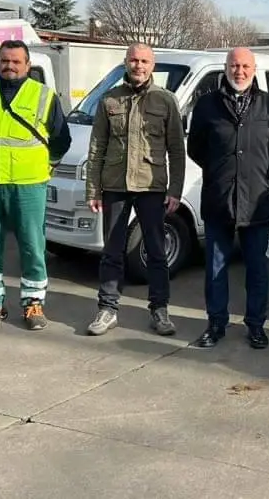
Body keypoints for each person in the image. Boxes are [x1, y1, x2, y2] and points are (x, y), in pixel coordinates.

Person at [0, 40, 71, 330]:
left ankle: (33, 305)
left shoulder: (44, 96)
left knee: (32, 246)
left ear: (27, 65)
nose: (9, 66)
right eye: (4, 61)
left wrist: (50, 163)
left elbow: (62, 140)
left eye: (15, 61)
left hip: (28, 184)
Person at [187, 47, 269, 349]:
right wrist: (222, 171)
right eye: (234, 65)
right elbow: (196, 148)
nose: (239, 71)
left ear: (254, 69)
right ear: (226, 68)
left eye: (245, 66)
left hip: (256, 200)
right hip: (219, 198)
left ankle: (256, 325)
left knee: (256, 268)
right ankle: (216, 324)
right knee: (216, 267)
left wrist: (256, 173)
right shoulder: (207, 105)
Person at [85, 43, 186, 337]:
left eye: (144, 61)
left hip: (151, 186)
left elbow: (177, 150)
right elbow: (97, 147)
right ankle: (107, 309)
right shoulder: (110, 100)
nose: (138, 66)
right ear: (126, 63)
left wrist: (175, 190)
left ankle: (159, 310)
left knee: (156, 251)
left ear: (152, 65)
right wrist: (93, 189)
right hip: (115, 184)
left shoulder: (165, 101)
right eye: (133, 60)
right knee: (112, 251)